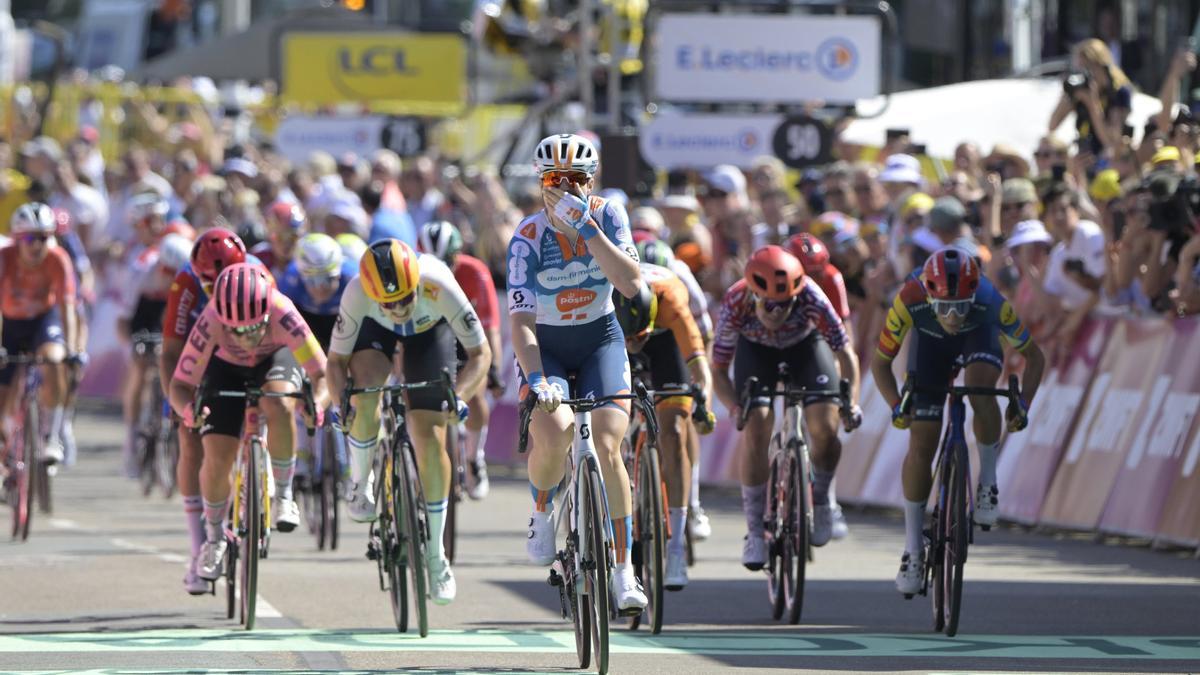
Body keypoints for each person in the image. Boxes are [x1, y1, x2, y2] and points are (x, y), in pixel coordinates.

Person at [506, 133, 647, 613]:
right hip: (547, 347)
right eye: (553, 180)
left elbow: (630, 285)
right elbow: (521, 323)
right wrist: (538, 379)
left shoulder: (608, 216)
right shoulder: (527, 237)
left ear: (592, 181)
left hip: (599, 339)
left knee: (608, 444)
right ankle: (542, 512)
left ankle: (625, 570)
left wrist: (587, 229)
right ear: (540, 182)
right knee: (556, 429)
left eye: (575, 180)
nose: (564, 189)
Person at [872, 247, 1045, 595]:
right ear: (929, 295)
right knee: (922, 442)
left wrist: (1022, 404)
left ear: (973, 295)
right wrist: (896, 405)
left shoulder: (990, 300)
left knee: (981, 388)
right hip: (930, 349)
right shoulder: (910, 298)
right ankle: (912, 549)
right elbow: (880, 364)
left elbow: (1034, 358)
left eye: (960, 306)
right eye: (945, 307)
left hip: (977, 337)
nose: (952, 316)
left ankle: (987, 483)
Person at [327, 239, 491, 606]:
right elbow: (335, 364)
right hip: (374, 333)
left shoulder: (439, 284)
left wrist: (460, 397)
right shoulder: (357, 293)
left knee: (429, 433)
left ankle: (436, 555)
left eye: (404, 298)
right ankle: (359, 482)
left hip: (429, 331)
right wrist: (343, 405)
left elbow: (481, 355)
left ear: (416, 282)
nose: (398, 308)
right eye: (389, 302)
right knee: (364, 392)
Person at [170, 263, 331, 582]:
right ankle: (214, 539)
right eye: (236, 330)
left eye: (253, 328)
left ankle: (284, 494)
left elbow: (323, 374)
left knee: (280, 402)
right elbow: (179, 386)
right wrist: (188, 411)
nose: (245, 337)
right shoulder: (213, 319)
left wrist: (318, 405)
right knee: (217, 454)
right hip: (225, 368)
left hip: (275, 359)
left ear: (267, 313)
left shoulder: (283, 310)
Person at [711, 246, 862, 570]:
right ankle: (754, 531)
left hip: (805, 349)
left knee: (824, 426)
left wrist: (850, 402)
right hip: (756, 352)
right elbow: (719, 370)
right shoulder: (736, 301)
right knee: (757, 424)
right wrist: (735, 408)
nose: (776, 313)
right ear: (754, 294)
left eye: (785, 304)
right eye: (768, 305)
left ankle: (821, 499)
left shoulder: (811, 296)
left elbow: (846, 354)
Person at [160, 227, 257, 595]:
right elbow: (171, 351)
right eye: (208, 283)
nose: (216, 290)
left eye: (223, 281)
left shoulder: (259, 274)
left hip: (246, 352)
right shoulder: (185, 283)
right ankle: (198, 547)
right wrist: (177, 402)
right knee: (190, 437)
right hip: (198, 354)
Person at [612, 262, 716, 591]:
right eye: (630, 338)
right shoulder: (603, 301)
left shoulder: (671, 301)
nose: (634, 344)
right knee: (608, 419)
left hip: (665, 340)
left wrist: (703, 403)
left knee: (673, 430)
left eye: (637, 337)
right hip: (610, 336)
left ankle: (676, 549)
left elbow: (700, 370)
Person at [635, 237, 714, 539]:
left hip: (671, 337)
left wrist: (699, 392)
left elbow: (700, 339)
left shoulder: (679, 285)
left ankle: (691, 505)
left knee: (678, 424)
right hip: (630, 335)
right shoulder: (613, 284)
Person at [417, 220, 502, 500]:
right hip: (432, 335)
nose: (441, 269)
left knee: (475, 395)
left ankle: (474, 456)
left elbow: (490, 327)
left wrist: (495, 371)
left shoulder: (475, 272)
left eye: (447, 261)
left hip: (468, 338)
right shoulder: (417, 273)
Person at [785, 232, 854, 539]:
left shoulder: (831, 278)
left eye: (817, 271)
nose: (814, 277)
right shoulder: (778, 275)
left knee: (825, 425)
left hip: (818, 341)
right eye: (807, 271)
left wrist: (843, 389)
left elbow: (843, 333)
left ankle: (827, 497)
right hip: (781, 340)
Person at [0, 203, 78, 465]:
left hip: (43, 320)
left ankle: (51, 436)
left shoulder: (58, 258)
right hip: (8, 323)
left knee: (55, 360)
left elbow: (68, 307)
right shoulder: (4, 258)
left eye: (44, 237)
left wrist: (73, 348)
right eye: (30, 238)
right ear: (17, 239)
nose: (37, 245)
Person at [117, 227, 193, 478]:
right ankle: (131, 436)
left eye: (176, 273)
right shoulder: (142, 269)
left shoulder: (189, 276)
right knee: (139, 365)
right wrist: (133, 348)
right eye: (167, 272)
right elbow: (124, 320)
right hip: (144, 311)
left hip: (170, 308)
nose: (171, 278)